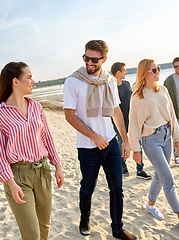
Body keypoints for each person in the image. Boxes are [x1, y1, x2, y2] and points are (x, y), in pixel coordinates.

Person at [63, 40, 137, 240]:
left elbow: (116, 111)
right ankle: (85, 218)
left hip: (111, 144)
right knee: (88, 187)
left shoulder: (110, 80)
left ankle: (117, 229)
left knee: (117, 188)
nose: (89, 62)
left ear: (104, 59)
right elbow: (69, 115)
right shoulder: (73, 81)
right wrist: (93, 136)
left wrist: (125, 140)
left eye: (94, 59)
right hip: (88, 147)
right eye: (86, 58)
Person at [0, 62, 64, 240]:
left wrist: (57, 165)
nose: (33, 81)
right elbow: (0, 154)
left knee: (44, 226)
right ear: (16, 81)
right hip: (18, 176)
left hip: (43, 171)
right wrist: (11, 183)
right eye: (29, 77)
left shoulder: (36, 107)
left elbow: (47, 138)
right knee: (31, 233)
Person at [128, 59, 179, 231]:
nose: (158, 71)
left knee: (158, 174)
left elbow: (172, 114)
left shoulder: (162, 89)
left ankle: (150, 205)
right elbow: (133, 124)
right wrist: (136, 149)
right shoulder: (137, 97)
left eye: (158, 68)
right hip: (151, 140)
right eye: (154, 69)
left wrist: (177, 138)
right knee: (168, 179)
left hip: (167, 136)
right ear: (145, 73)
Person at [111, 62, 152, 180]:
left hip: (132, 120)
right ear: (118, 72)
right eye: (124, 70)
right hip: (118, 122)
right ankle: (123, 167)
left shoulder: (127, 84)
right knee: (121, 145)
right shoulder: (111, 87)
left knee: (137, 144)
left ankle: (140, 169)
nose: (126, 72)